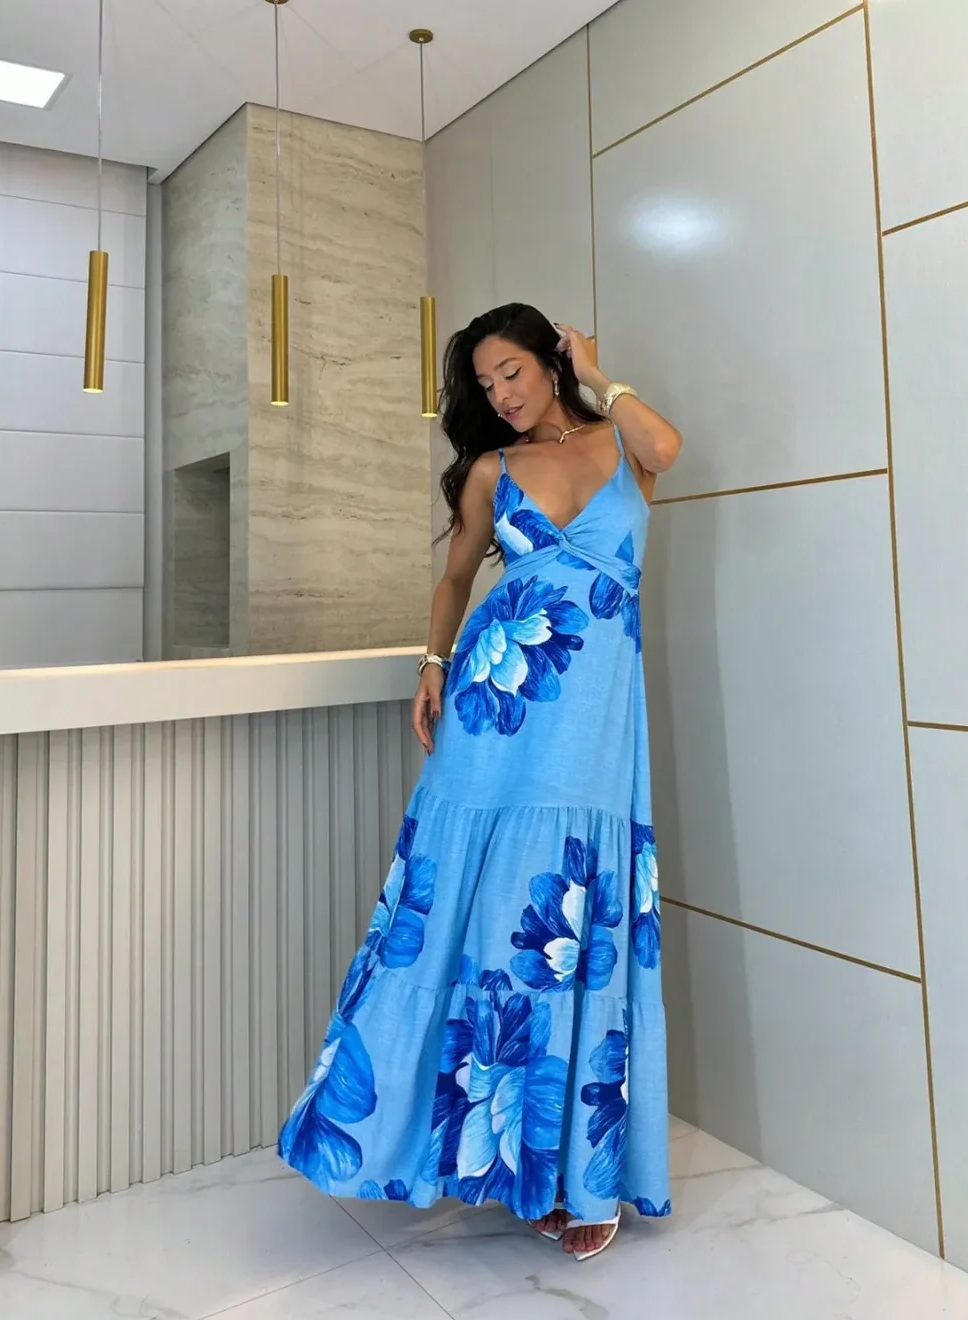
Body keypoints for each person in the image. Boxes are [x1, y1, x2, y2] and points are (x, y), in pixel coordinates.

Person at [279, 302, 682, 1262]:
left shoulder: (624, 447)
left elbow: (668, 444)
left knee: (564, 925)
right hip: (495, 715)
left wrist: (598, 374)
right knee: (484, 915)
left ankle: (575, 1170)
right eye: (485, 384)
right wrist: (432, 663)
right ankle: (504, 1167)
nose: (500, 395)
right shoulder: (492, 474)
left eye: (513, 372)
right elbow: (457, 578)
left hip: (591, 733)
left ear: (551, 361)